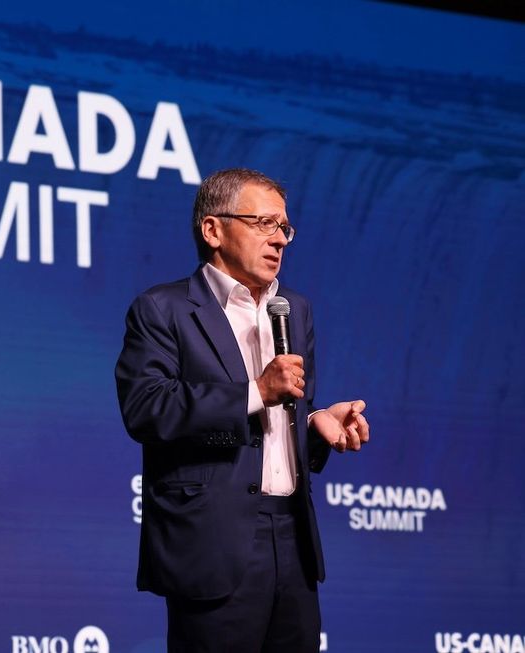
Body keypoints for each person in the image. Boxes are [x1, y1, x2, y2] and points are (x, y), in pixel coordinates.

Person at [115, 168, 370, 652]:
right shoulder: (163, 309)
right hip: (213, 542)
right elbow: (146, 407)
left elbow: (285, 415)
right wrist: (254, 391)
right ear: (213, 230)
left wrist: (317, 424)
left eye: (285, 228)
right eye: (264, 224)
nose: (280, 240)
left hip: (292, 537)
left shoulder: (294, 309)